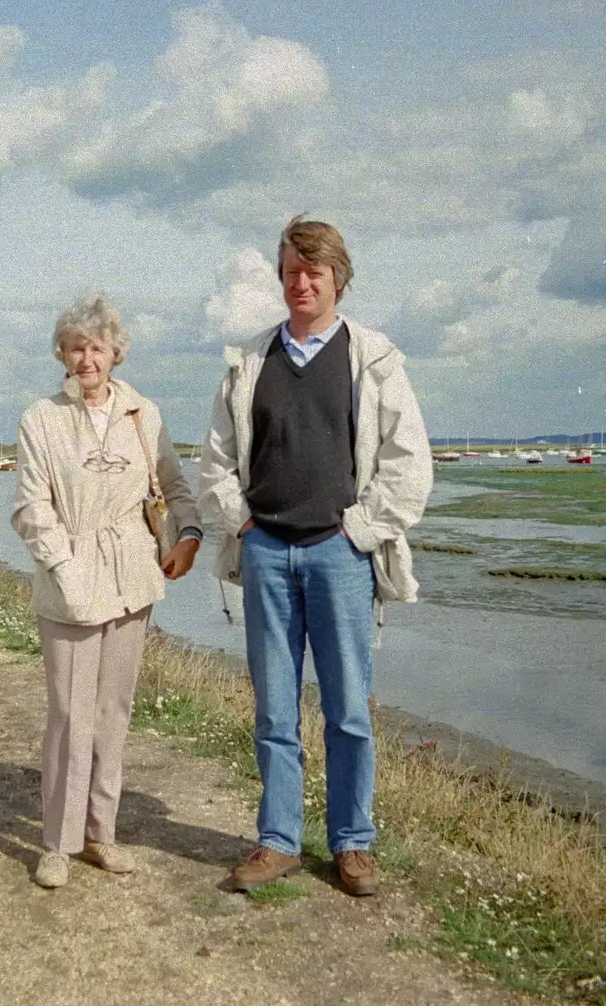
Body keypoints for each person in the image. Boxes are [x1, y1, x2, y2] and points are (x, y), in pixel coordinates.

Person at [199, 215, 433, 897]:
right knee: (275, 708)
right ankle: (277, 841)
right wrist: (241, 524)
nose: (302, 282)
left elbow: (409, 463)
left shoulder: (375, 359)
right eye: (292, 271)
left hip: (340, 558)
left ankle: (352, 842)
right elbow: (215, 459)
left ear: (338, 279)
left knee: (348, 710)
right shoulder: (249, 362)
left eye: (315, 272)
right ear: (280, 277)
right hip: (267, 554)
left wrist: (360, 530)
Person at [12, 293, 201, 889]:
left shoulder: (143, 412)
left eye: (97, 347)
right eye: (75, 348)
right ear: (62, 355)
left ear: (115, 352)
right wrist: (65, 569)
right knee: (70, 715)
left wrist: (187, 537)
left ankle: (101, 835)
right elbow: (30, 508)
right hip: (69, 580)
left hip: (133, 579)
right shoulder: (40, 418)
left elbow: (175, 485)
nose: (87, 358)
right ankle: (57, 844)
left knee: (113, 712)